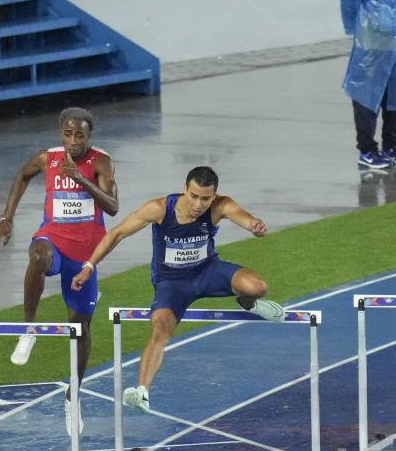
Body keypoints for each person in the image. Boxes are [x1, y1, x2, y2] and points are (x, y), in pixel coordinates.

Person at [71, 166, 285, 413]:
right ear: (185, 189)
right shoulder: (160, 209)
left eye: (206, 198)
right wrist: (89, 266)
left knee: (257, 287)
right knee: (160, 327)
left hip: (207, 271)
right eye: (194, 195)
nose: (199, 204)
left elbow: (243, 217)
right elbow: (118, 233)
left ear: (214, 196)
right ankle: (142, 392)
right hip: (171, 283)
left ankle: (249, 303)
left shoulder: (220, 206)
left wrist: (254, 225)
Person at [0, 107, 118, 435]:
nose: (73, 141)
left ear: (90, 136)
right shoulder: (47, 158)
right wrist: (7, 217)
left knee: (80, 329)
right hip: (53, 240)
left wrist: (81, 179)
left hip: (85, 254)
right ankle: (28, 330)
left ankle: (73, 395)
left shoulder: (101, 162)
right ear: (61, 132)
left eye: (80, 135)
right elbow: (22, 175)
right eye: (68, 134)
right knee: (38, 257)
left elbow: (113, 207)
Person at [341, 0, 396, 169]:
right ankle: (367, 149)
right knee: (366, 92)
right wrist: (356, 28)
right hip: (372, 38)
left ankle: (393, 146)